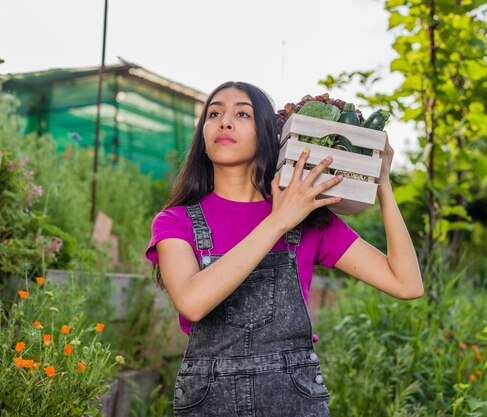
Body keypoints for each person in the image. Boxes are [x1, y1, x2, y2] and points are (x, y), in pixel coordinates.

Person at [145, 81, 423, 417]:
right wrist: (278, 221)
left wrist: (383, 186)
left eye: (241, 113)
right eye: (214, 113)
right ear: (202, 139)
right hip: (208, 401)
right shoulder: (175, 221)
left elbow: (407, 284)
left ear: (267, 135)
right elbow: (192, 302)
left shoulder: (308, 219)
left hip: (293, 401)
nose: (225, 121)